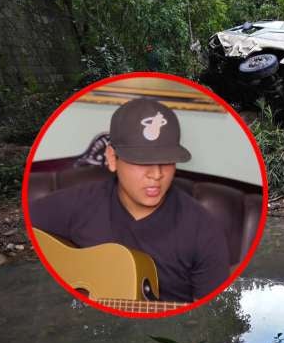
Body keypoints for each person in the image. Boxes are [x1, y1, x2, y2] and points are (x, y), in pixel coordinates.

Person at [30, 98, 230, 303]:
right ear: (112, 158)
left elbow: (211, 319)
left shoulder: (204, 231)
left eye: (167, 161)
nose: (156, 174)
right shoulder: (78, 203)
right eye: (141, 161)